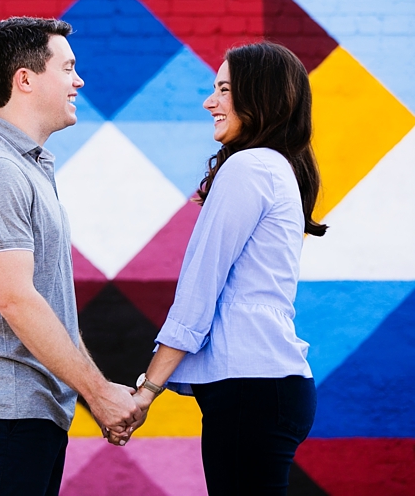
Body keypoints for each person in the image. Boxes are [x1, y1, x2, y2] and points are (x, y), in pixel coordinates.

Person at [0, 16, 141, 496]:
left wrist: (91, 393)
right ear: (25, 79)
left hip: (28, 414)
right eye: (68, 67)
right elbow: (16, 301)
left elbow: (48, 305)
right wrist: (98, 392)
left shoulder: (24, 167)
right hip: (6, 414)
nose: (79, 80)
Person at [118, 41, 327, 495]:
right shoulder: (276, 167)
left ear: (261, 97)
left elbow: (199, 290)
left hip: (251, 389)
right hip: (268, 387)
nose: (209, 102)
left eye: (224, 90)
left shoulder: (250, 167)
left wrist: (148, 390)